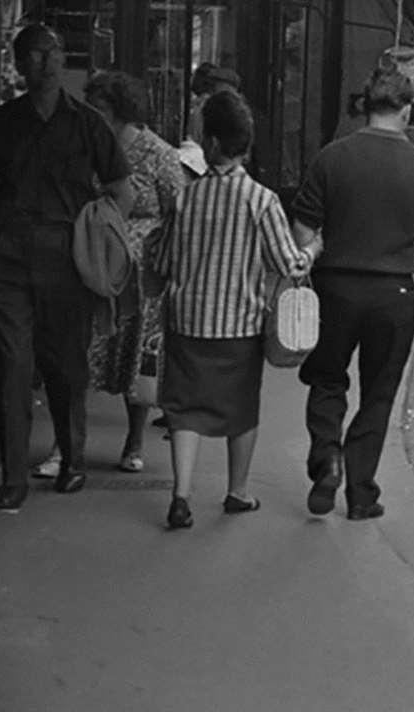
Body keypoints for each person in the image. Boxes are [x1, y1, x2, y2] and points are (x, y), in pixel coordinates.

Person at [0, 24, 135, 511]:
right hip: (7, 256)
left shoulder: (87, 124)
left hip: (67, 255)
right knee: (12, 365)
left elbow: (123, 189)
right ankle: (14, 475)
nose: (45, 61)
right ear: (19, 63)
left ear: (63, 59)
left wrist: (101, 236)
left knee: (66, 365)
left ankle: (72, 460)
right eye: (34, 54)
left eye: (52, 52)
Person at [151, 91, 315, 530]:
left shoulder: (185, 199)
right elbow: (287, 263)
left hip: (187, 321)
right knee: (240, 410)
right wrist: (313, 249)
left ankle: (181, 495)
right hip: (238, 326)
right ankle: (236, 491)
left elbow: (163, 262)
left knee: (184, 409)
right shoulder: (261, 200)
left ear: (213, 143)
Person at [291, 66, 414, 520]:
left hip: (335, 286)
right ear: (407, 109)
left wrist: (311, 256)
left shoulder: (332, 158)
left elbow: (304, 224)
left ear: (365, 105)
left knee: (326, 377)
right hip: (393, 289)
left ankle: (327, 458)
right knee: (378, 392)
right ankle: (362, 493)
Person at [83, 70, 183, 473]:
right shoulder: (86, 147)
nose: (95, 117)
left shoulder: (158, 154)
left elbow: (178, 211)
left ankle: (134, 441)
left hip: (143, 275)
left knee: (138, 354)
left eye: (101, 110)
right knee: (83, 350)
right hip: (95, 260)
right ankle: (67, 441)